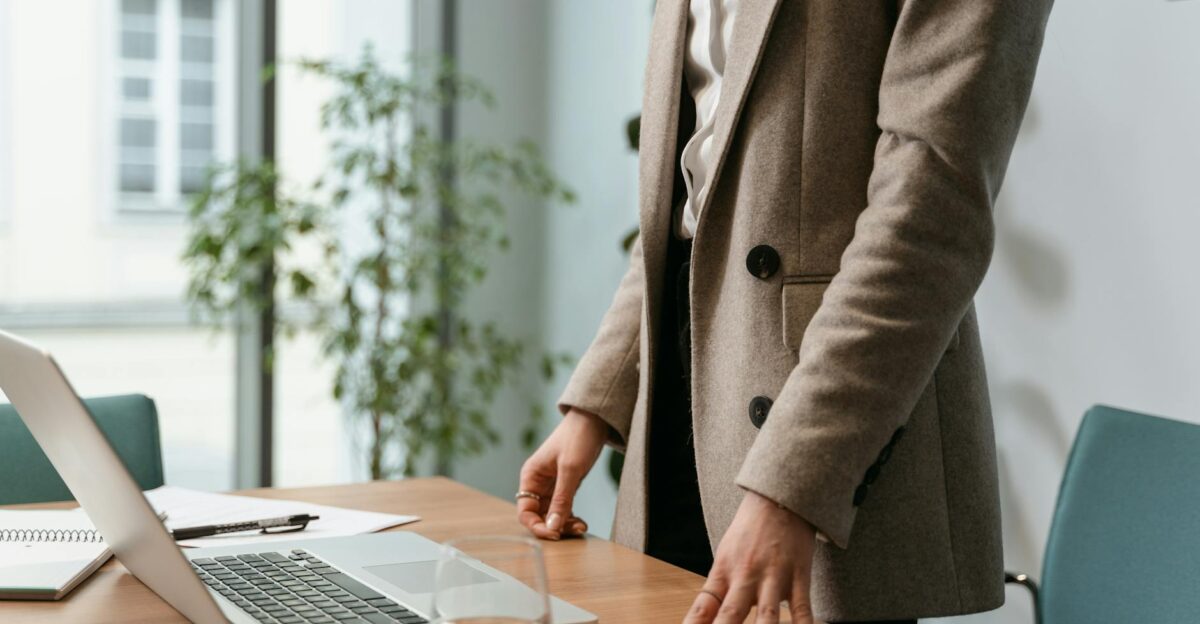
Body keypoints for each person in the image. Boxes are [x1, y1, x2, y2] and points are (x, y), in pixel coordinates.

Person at [517, 0, 1054, 622]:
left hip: (823, 425)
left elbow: (931, 214)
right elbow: (692, 202)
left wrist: (794, 479)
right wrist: (600, 397)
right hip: (678, 408)